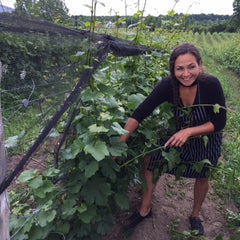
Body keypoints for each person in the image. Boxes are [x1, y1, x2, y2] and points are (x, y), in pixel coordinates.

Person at [118, 43, 226, 236]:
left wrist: (190, 131)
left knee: (203, 174)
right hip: (178, 135)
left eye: (191, 66)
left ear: (200, 65)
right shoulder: (168, 86)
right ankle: (145, 210)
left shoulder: (211, 85)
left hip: (207, 137)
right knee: (150, 160)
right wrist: (120, 142)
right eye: (180, 68)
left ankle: (194, 215)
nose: (186, 74)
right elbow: (140, 112)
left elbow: (219, 121)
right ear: (173, 70)